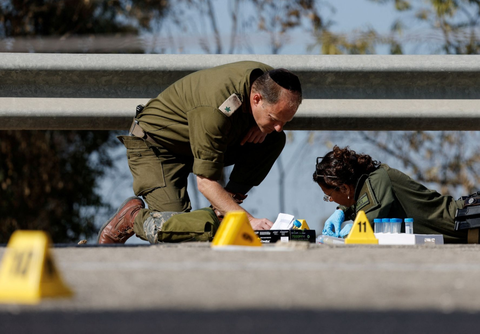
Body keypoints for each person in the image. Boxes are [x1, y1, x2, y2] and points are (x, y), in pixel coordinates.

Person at [97, 61, 302, 244]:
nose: (279, 126)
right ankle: (132, 217)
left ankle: (225, 208)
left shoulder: (267, 81)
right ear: (256, 99)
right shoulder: (215, 109)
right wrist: (246, 220)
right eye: (274, 119)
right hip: (158, 148)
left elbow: (271, 122)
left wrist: (263, 125)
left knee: (274, 139)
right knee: (177, 233)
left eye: (284, 121)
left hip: (195, 142)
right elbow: (205, 182)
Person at [313, 145, 468, 243]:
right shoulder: (370, 183)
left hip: (471, 221)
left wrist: (339, 236)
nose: (331, 200)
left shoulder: (377, 181)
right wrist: (341, 211)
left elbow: (365, 223)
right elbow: (361, 201)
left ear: (345, 188)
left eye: (329, 195)